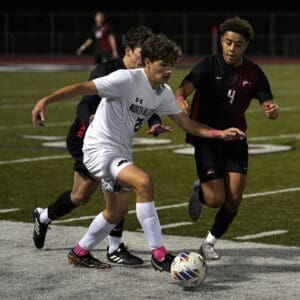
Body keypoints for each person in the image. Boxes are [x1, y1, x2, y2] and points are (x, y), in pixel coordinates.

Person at [32, 33, 245, 271]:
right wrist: (46, 101)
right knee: (143, 182)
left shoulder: (162, 92)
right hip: (99, 149)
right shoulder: (125, 79)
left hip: (120, 150)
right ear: (147, 62)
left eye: (172, 66)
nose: (168, 71)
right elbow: (84, 88)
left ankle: (79, 252)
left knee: (115, 212)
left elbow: (187, 124)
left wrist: (220, 134)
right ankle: (159, 254)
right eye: (163, 65)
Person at [32, 26, 171, 266]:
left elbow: (148, 107)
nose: (147, 57)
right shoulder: (108, 70)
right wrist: (91, 119)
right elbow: (83, 104)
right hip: (87, 138)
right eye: (143, 52)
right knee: (89, 194)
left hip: (113, 143)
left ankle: (47, 218)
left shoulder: (143, 77)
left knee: (89, 194)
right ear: (128, 50)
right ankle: (109, 246)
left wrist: (156, 122)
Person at [175, 16, 279, 260]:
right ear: (221, 41)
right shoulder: (207, 66)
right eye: (228, 42)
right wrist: (181, 99)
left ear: (246, 46)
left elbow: (268, 102)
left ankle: (209, 242)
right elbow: (183, 88)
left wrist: (271, 109)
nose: (232, 48)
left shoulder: (254, 73)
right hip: (206, 137)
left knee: (233, 199)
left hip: (235, 138)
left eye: (238, 44)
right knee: (214, 199)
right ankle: (200, 191)